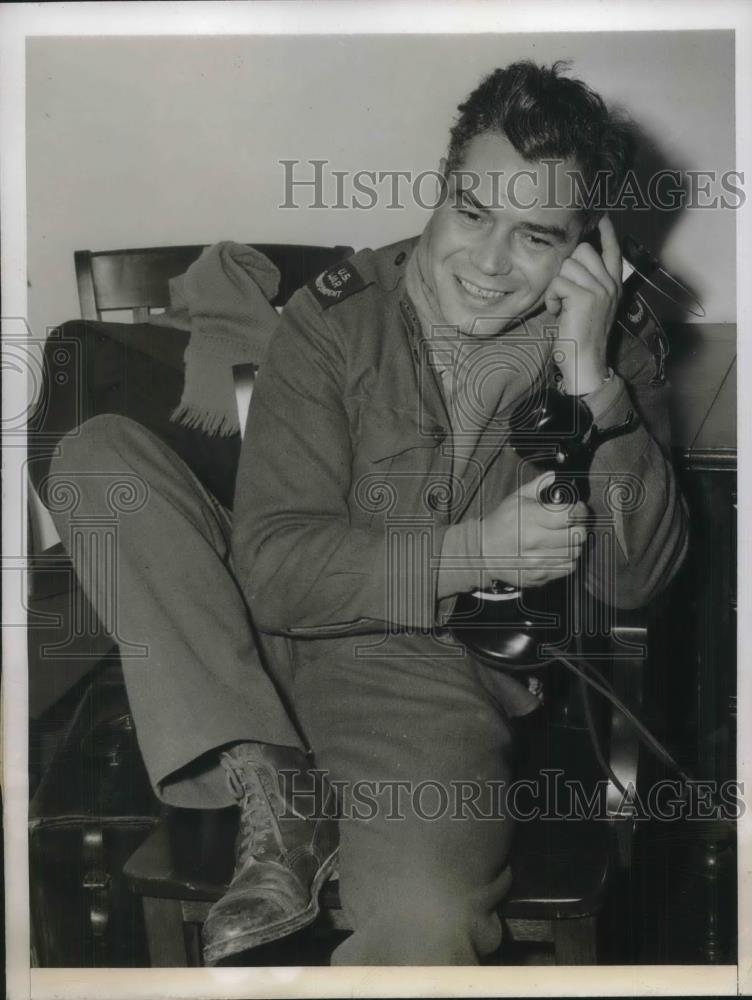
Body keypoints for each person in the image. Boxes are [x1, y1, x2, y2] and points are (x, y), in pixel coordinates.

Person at [42, 60, 687, 967]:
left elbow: (635, 579)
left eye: (536, 236)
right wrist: (471, 549)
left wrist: (592, 377)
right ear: (440, 188)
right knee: (96, 456)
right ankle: (270, 774)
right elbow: (270, 571)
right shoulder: (335, 319)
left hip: (417, 678)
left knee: (425, 919)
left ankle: (287, 794)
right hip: (253, 641)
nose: (491, 263)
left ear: (589, 248)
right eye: (471, 212)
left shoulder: (608, 349)